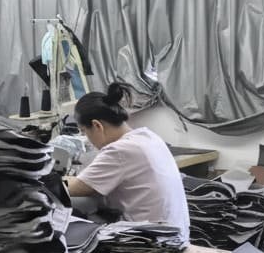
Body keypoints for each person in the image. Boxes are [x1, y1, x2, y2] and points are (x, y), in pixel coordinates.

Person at [66, 82, 190, 241]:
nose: (88, 140)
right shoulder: (148, 136)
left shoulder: (120, 150)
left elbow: (77, 187)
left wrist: (49, 180)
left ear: (97, 126)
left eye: (85, 132)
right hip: (176, 235)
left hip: (152, 242)